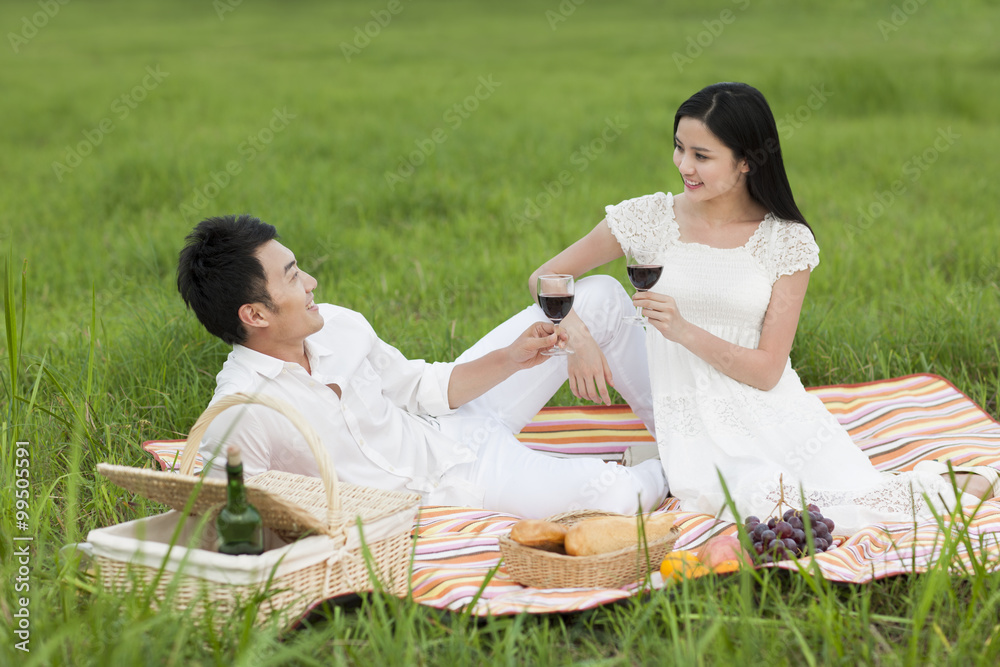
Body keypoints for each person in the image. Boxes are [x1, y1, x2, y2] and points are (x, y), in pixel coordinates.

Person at [530, 82, 999, 535]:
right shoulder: (647, 218)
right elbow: (545, 277)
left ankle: (953, 484)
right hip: (688, 415)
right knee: (756, 499)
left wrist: (684, 330)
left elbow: (769, 371)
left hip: (770, 407)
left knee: (846, 501)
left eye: (702, 156)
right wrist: (578, 338)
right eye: (679, 148)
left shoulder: (787, 242)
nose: (683, 165)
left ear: (747, 163)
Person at [176, 215, 666, 520]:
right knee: (621, 497)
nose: (312, 281)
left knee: (597, 296)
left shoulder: (338, 325)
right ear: (255, 315)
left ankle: (673, 431)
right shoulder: (241, 411)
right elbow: (230, 511)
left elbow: (418, 385)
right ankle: (671, 468)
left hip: (456, 419)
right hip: (457, 480)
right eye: (292, 277)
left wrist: (511, 359)